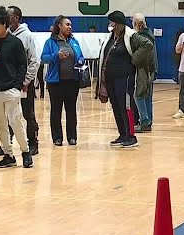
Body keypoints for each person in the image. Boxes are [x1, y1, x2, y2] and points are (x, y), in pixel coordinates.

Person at [0, 5, 33, 169]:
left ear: (5, 23)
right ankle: (8, 154)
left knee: (15, 121)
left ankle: (25, 152)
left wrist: (18, 85)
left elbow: (22, 65)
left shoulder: (16, 42)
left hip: (11, 89)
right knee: (0, 125)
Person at [95, 10, 153, 148]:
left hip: (124, 78)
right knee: (115, 106)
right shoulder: (111, 38)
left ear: (119, 24)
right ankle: (122, 134)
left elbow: (148, 44)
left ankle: (131, 136)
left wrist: (134, 59)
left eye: (113, 23)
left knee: (126, 107)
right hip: (111, 79)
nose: (111, 25)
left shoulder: (131, 36)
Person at [0, 5, 40, 156]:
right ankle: (7, 143)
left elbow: (35, 60)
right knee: (7, 115)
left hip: (24, 83)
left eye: (8, 15)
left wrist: (26, 81)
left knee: (26, 113)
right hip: (8, 83)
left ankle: (32, 142)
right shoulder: (2, 37)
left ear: (16, 18)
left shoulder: (27, 36)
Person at [40, 15, 85, 146]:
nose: (70, 27)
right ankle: (57, 138)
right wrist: (56, 56)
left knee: (71, 110)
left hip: (72, 81)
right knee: (56, 110)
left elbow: (80, 55)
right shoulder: (50, 42)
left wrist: (81, 60)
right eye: (67, 24)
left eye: (70, 25)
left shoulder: (74, 41)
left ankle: (72, 137)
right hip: (56, 83)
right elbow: (44, 58)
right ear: (59, 26)